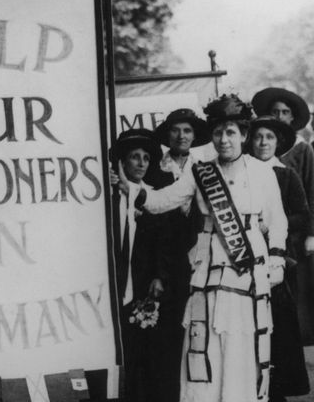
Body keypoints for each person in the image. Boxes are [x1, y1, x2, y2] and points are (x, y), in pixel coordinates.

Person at [115, 94, 287, 402]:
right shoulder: (201, 172)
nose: (224, 139)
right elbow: (160, 201)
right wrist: (132, 188)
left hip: (248, 271)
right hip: (207, 271)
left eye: (231, 132)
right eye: (219, 132)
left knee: (242, 343)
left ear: (244, 136)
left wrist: (277, 261)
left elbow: (277, 222)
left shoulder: (263, 173)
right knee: (204, 342)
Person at [247, 115, 310, 402]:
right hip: (244, 257)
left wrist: (272, 225)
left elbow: (302, 215)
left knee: (279, 326)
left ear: (278, 142)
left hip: (278, 258)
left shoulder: (285, 174)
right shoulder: (241, 171)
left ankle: (279, 389)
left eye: (269, 138)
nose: (262, 143)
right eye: (258, 137)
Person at [150, 108, 211, 401]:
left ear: (194, 135)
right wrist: (156, 273)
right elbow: (151, 228)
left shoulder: (205, 168)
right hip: (167, 261)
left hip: (199, 258)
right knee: (168, 330)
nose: (182, 136)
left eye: (187, 131)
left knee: (198, 327)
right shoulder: (156, 170)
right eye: (176, 130)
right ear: (168, 134)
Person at [110, 129, 174, 402]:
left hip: (141, 280)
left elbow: (164, 242)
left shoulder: (153, 197)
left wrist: (159, 276)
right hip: (115, 279)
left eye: (146, 158)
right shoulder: (108, 196)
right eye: (134, 157)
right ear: (122, 163)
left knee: (142, 347)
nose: (141, 163)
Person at [253, 87, 314, 344]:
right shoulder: (258, 153)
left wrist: (311, 234)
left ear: (292, 118)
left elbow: (311, 191)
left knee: (295, 287)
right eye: (275, 111)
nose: (279, 115)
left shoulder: (301, 151)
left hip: (294, 232)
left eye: (285, 112)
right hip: (260, 232)